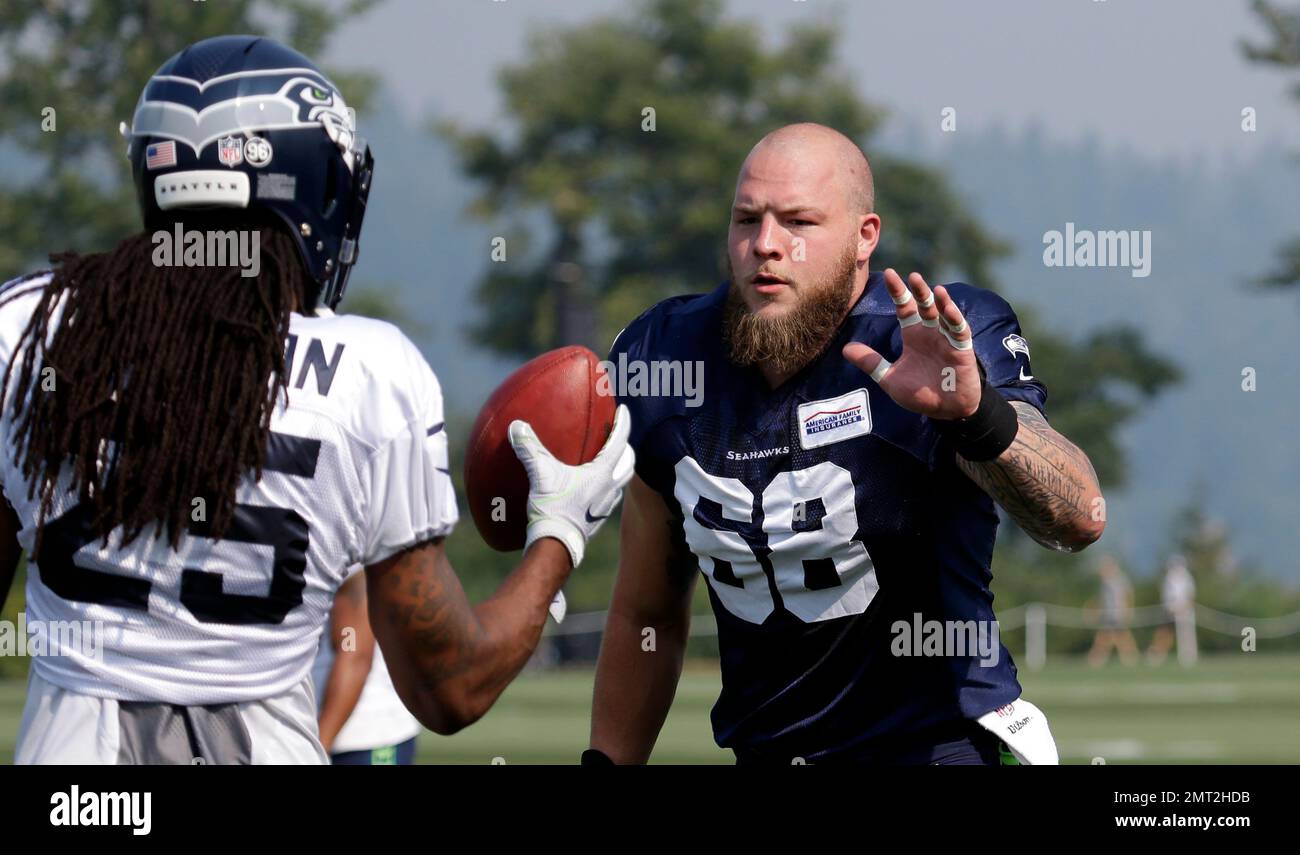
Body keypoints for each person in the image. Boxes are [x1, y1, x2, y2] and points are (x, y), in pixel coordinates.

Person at [0, 35, 632, 764]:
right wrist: (558, 534)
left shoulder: (29, 331)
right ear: (315, 192)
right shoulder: (370, 372)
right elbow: (449, 687)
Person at [588, 123, 1104, 765]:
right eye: (746, 219)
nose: (765, 245)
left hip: (932, 748)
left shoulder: (930, 336)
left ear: (865, 238)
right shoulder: (666, 356)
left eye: (798, 222)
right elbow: (648, 611)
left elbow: (1079, 517)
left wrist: (975, 415)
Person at [313, 568, 421, 764]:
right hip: (311, 729)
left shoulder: (344, 550)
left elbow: (353, 654)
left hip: (364, 736)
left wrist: (318, 746)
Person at [1086, 556, 1139, 667]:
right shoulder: (1105, 582)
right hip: (1109, 614)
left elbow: (1127, 596)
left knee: (1115, 635)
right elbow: (1101, 599)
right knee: (1110, 636)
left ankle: (1098, 658)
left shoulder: (1119, 580)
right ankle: (1129, 657)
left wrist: (1128, 610)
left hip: (1117, 613)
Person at [1146, 554, 1195, 666]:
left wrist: (1185, 608)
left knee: (1185, 635)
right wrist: (1170, 608)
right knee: (1164, 632)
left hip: (1184, 611)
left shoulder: (1186, 578)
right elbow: (1167, 595)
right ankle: (1157, 653)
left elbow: (1190, 595)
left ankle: (1187, 655)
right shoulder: (1169, 578)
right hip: (1170, 610)